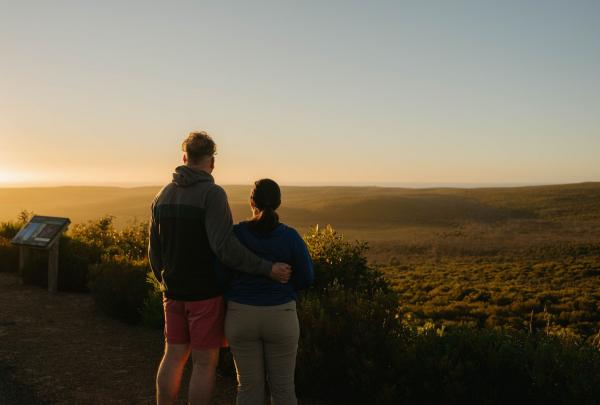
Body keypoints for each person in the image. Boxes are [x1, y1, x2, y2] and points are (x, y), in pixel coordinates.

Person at [148, 131, 292, 405]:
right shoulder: (212, 194)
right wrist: (266, 268)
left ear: (184, 157)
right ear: (211, 161)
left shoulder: (162, 195)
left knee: (174, 355)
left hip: (173, 292)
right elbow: (224, 247)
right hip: (204, 294)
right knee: (203, 363)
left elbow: (154, 251)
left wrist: (165, 283)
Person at [222, 179, 314, 405]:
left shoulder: (236, 234)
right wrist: (287, 287)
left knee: (248, 387)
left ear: (251, 201)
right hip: (281, 315)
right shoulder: (290, 237)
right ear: (279, 203)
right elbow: (307, 277)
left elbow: (220, 273)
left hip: (241, 314)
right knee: (283, 389)